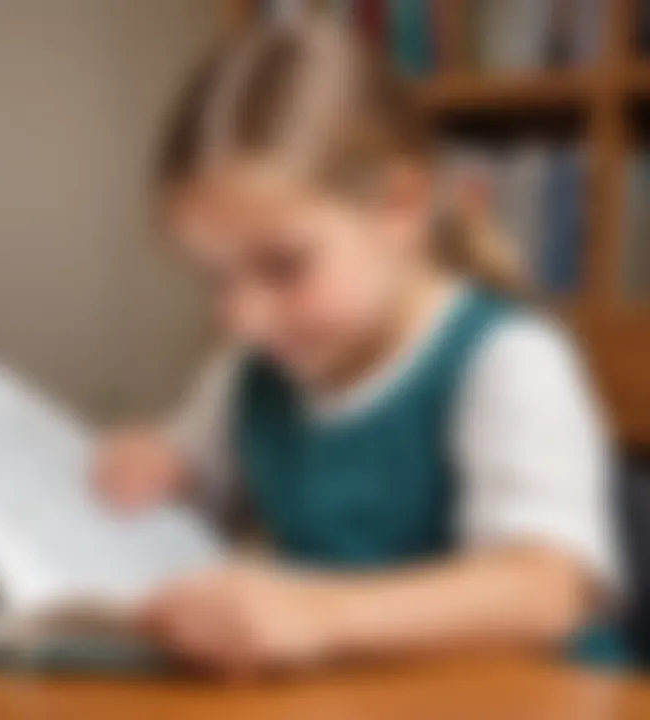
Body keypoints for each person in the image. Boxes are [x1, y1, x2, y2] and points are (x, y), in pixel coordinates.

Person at [95, 22, 626, 675]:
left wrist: (315, 616)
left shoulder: (509, 360)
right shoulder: (249, 373)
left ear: (400, 207)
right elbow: (190, 483)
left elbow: (547, 590)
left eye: (283, 267)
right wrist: (156, 467)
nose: (242, 320)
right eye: (215, 278)